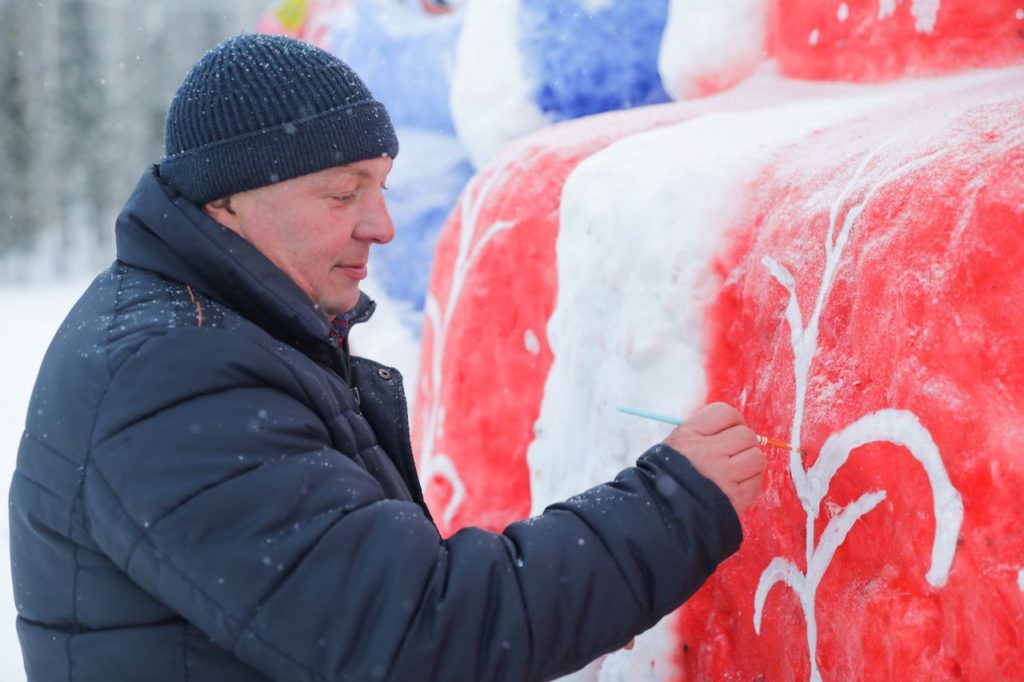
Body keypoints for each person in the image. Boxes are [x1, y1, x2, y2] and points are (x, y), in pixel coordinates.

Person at [9, 33, 765, 681]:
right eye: (342, 195)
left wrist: (583, 595)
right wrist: (675, 505)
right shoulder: (174, 377)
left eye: (381, 187)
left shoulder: (214, 333)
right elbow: (418, 636)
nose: (383, 225)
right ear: (225, 202)